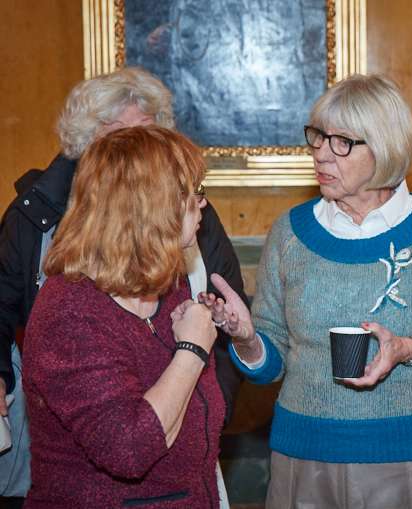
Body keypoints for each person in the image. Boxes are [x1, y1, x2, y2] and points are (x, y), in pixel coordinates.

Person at [201, 73, 412, 509]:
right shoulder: (289, 232)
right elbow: (270, 366)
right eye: (318, 137)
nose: (321, 153)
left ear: (384, 148)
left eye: (342, 142)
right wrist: (247, 340)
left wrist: (409, 349)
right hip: (303, 456)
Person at [0, 67, 245, 506]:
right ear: (148, 207)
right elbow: (129, 450)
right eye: (190, 192)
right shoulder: (71, 310)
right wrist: (192, 350)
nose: (202, 202)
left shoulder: (167, 285)